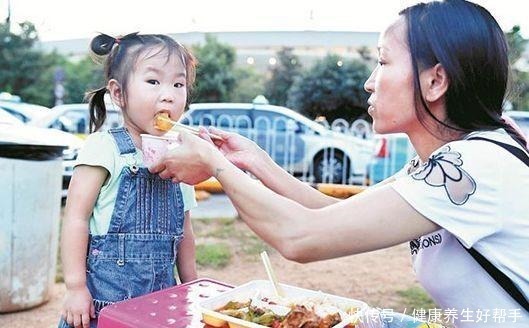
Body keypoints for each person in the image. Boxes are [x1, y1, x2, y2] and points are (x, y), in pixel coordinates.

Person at [151, 1, 529, 327]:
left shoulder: (472, 165)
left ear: (435, 81)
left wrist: (215, 164)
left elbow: (300, 237)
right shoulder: (449, 160)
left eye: (382, 61)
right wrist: (255, 162)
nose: (369, 82)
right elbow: (337, 213)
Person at [59, 33, 198, 328]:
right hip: (105, 309)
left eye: (178, 83)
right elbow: (75, 218)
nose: (169, 94)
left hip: (162, 307)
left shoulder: (182, 158)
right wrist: (75, 287)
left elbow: (185, 233)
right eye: (153, 81)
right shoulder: (103, 147)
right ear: (119, 93)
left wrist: (192, 287)